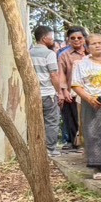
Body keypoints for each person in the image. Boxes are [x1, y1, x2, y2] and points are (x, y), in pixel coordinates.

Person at [71, 33, 101, 179]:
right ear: (87, 47)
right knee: (93, 134)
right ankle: (97, 167)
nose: (97, 46)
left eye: (100, 43)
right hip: (91, 101)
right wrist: (89, 98)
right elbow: (76, 84)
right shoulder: (82, 64)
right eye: (93, 43)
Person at [30, 25, 67, 153]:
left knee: (34, 120)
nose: (53, 40)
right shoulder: (49, 54)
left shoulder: (28, 53)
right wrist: (59, 92)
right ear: (45, 38)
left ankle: (35, 148)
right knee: (51, 121)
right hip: (47, 93)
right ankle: (50, 148)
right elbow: (53, 75)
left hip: (31, 94)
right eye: (51, 37)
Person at [58, 27, 87, 149]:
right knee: (71, 117)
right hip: (71, 91)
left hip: (89, 91)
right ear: (68, 40)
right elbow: (61, 74)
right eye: (73, 38)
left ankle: (87, 143)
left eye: (79, 38)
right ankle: (73, 142)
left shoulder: (90, 53)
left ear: (84, 39)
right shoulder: (64, 55)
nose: (76, 40)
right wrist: (64, 91)